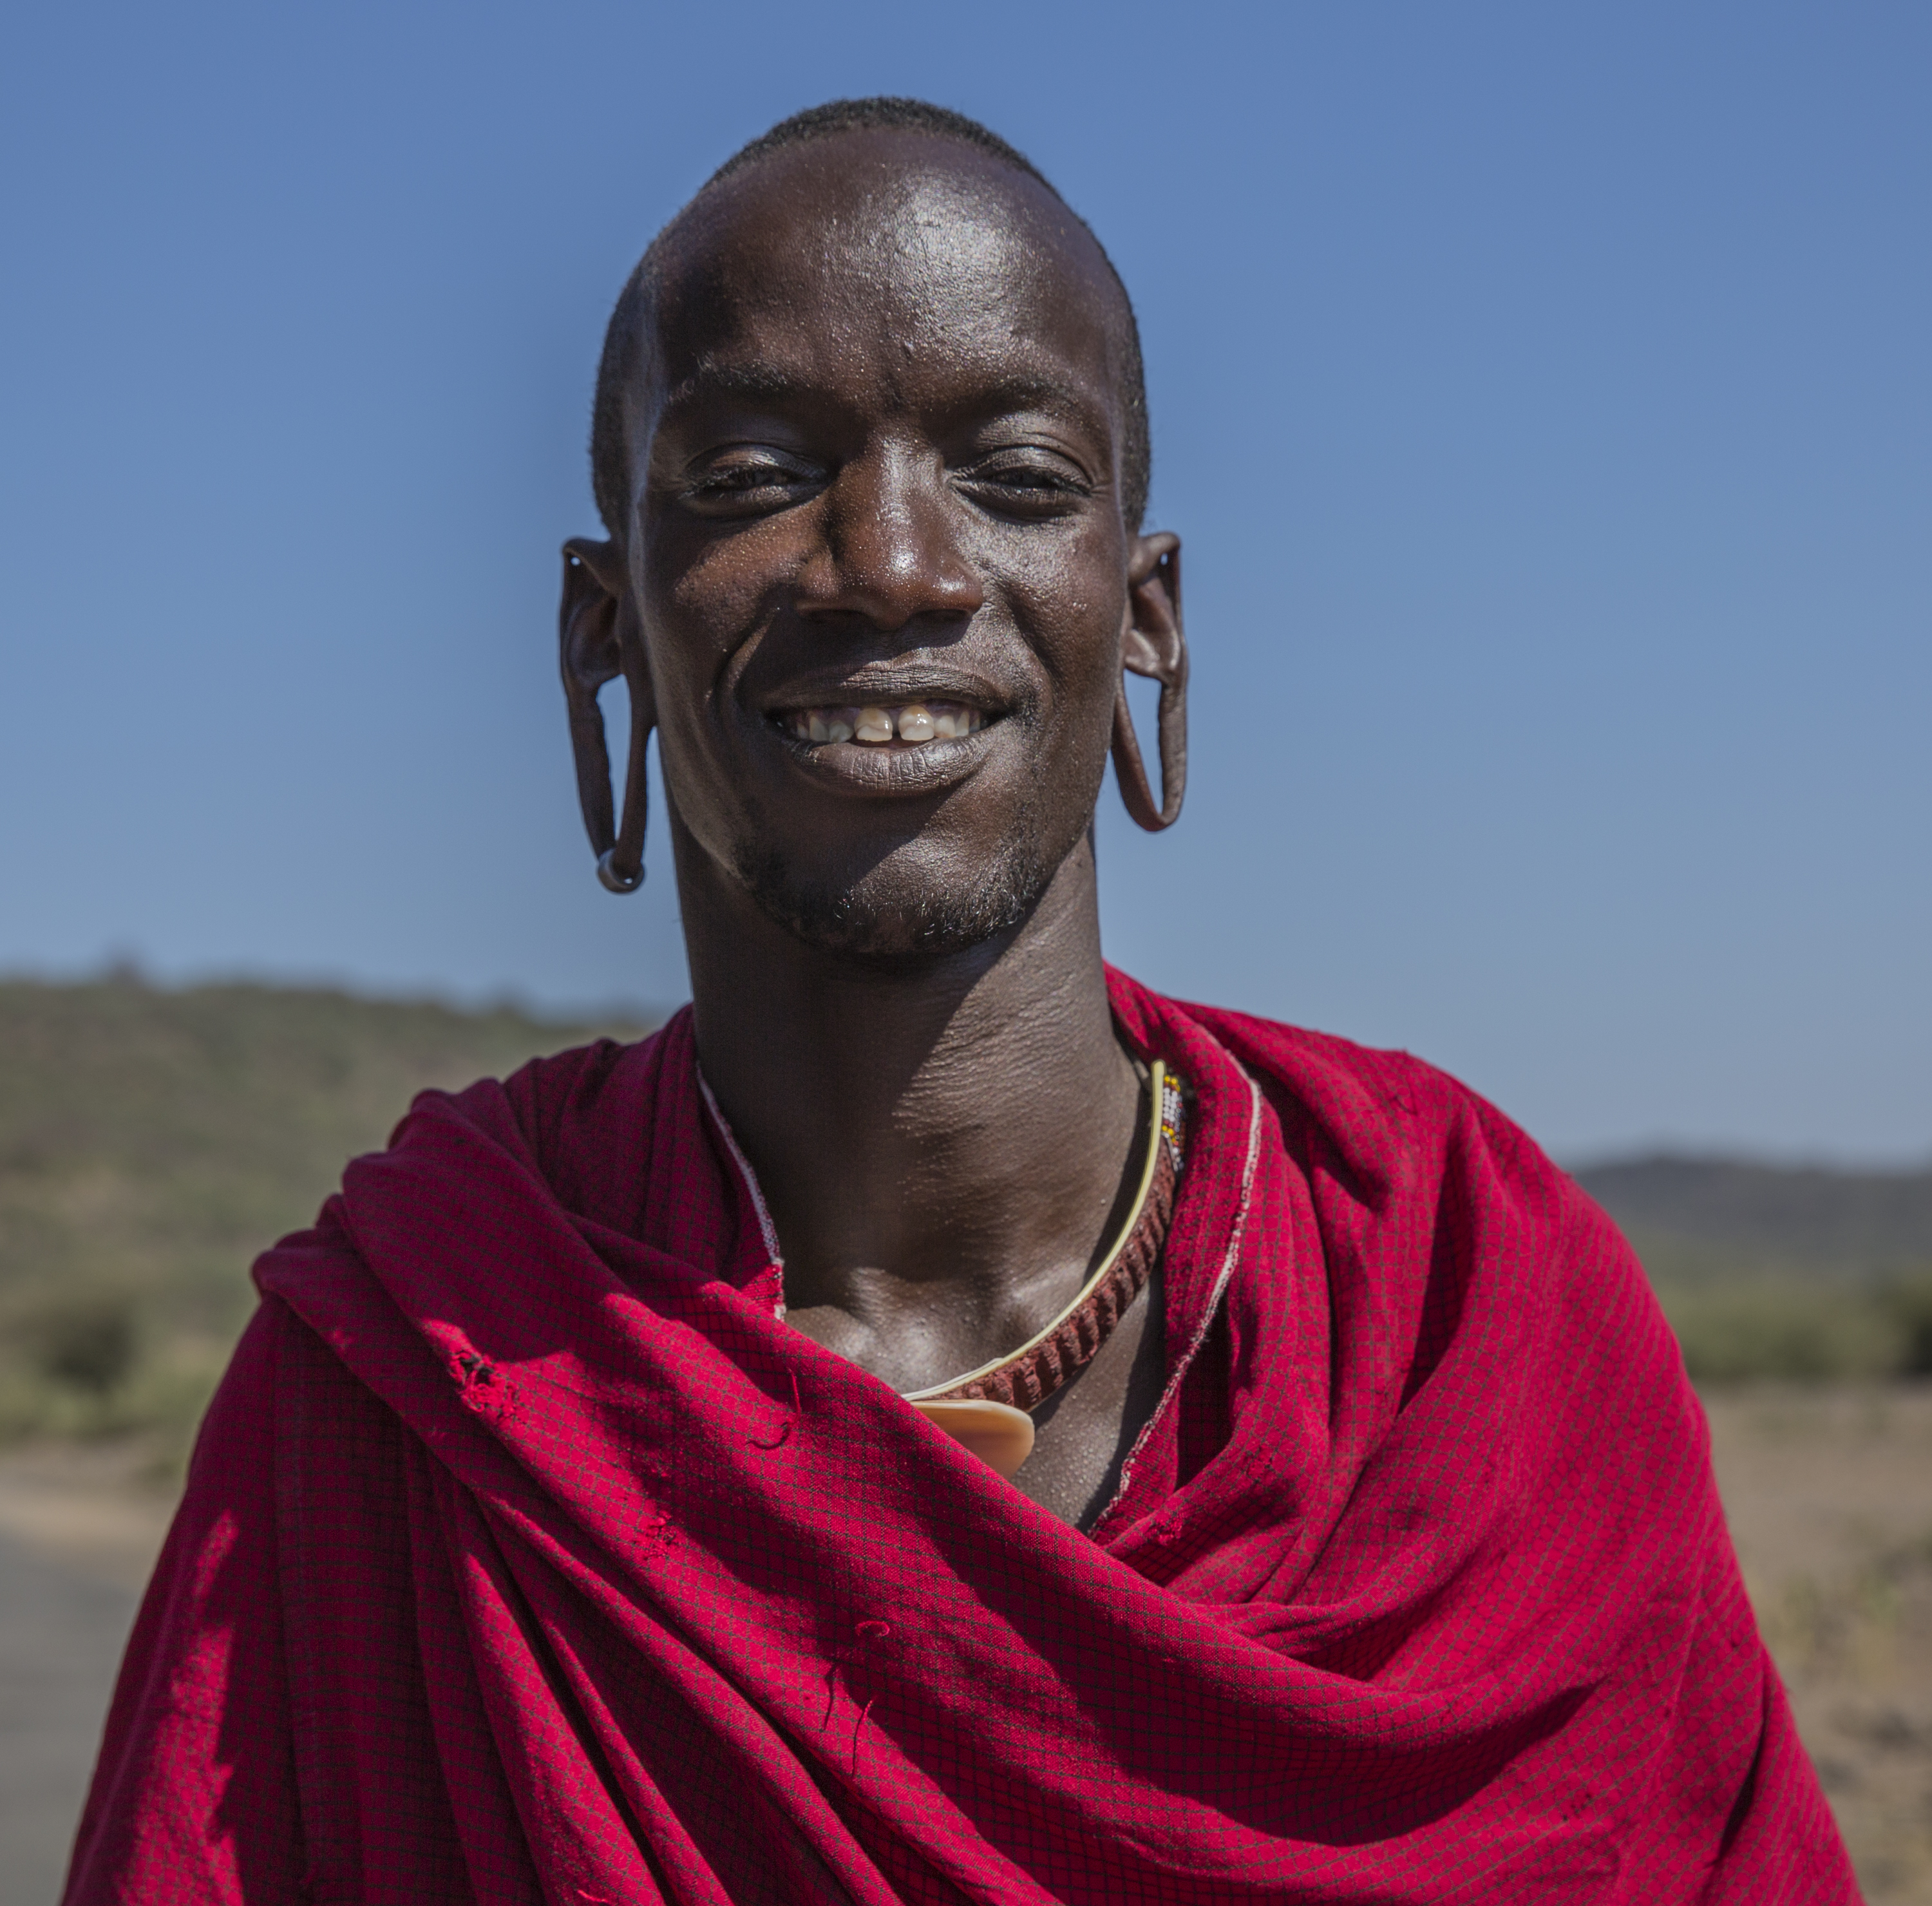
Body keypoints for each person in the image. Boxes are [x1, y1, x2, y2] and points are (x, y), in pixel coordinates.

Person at [64, 98, 1855, 1903]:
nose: (898, 568)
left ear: (1145, 613)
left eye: (1017, 477)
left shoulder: (1466, 1303)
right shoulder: (419, 1368)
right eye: (756, 476)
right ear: (602, 630)